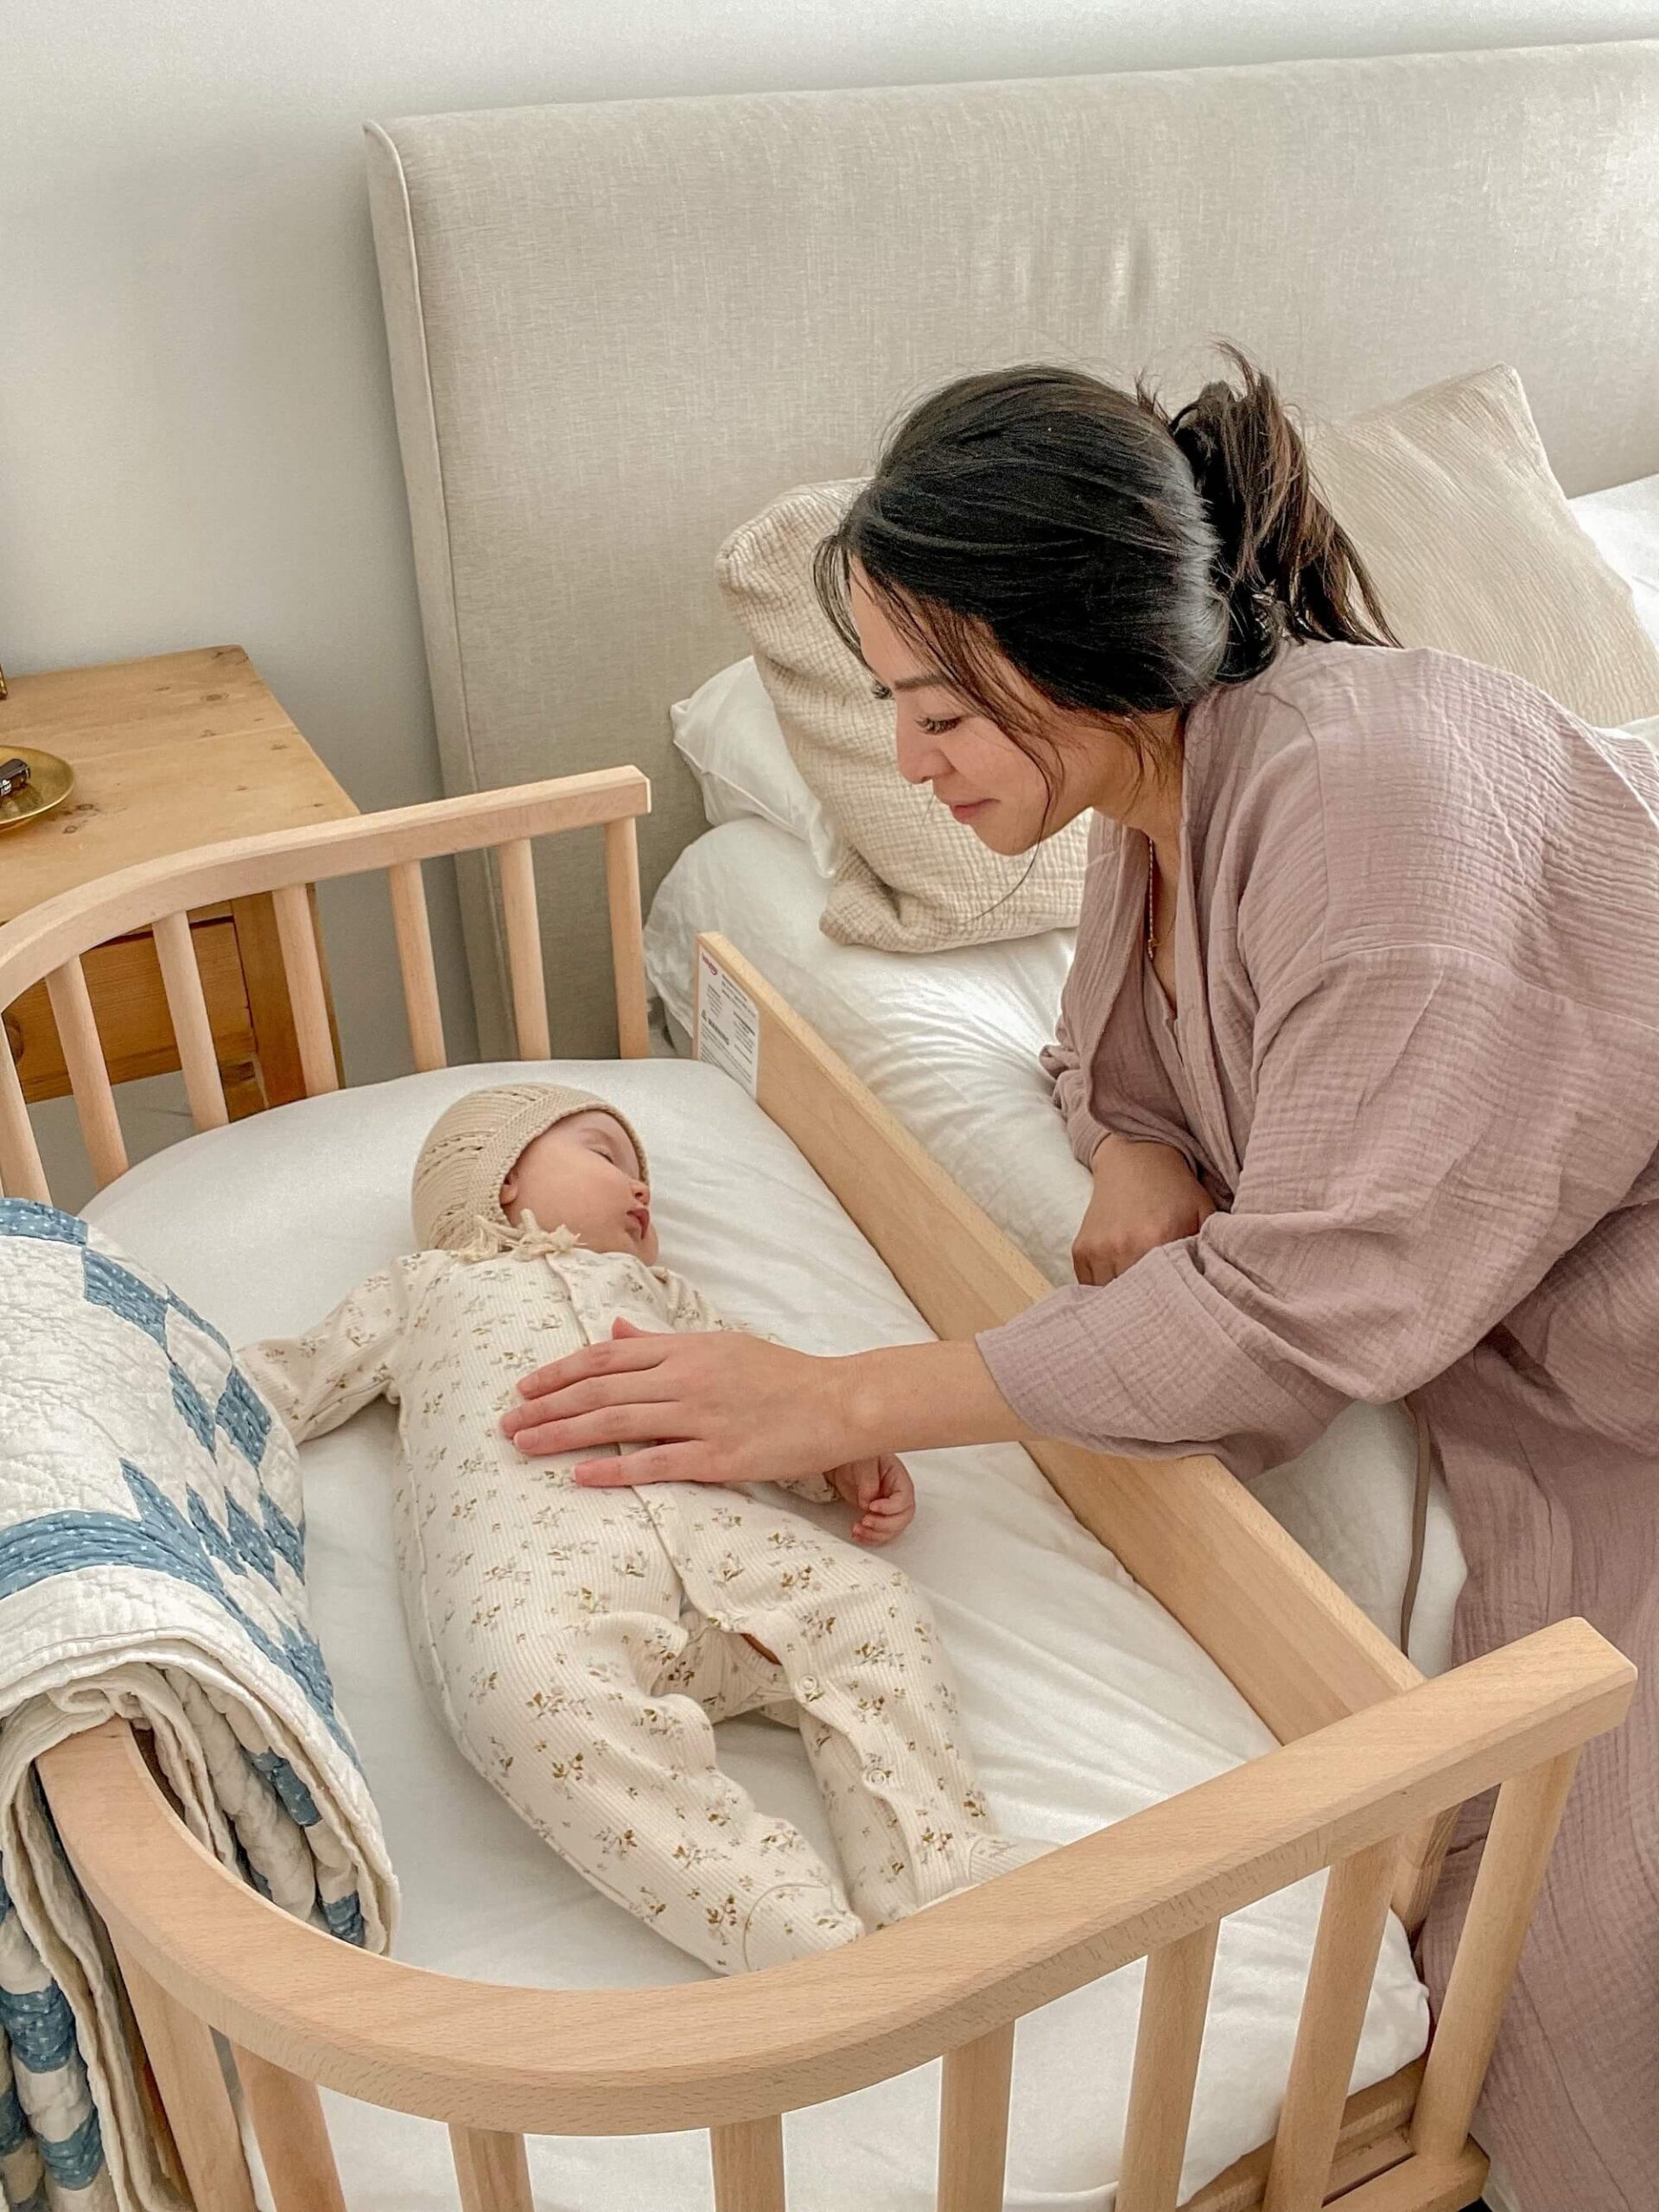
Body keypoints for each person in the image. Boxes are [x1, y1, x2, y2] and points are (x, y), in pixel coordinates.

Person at [502, 352, 1659, 2205]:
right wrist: (1134, 1138)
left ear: (1081, 654)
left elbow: (1297, 1310)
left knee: (1596, 1928)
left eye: (941, 713)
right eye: (889, 710)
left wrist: (850, 1391)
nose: (910, 765)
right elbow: (1109, 1055)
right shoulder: (1164, 795)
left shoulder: (1371, 800)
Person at [241, 1082, 1040, 1977]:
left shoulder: (663, 1293)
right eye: (605, 1154)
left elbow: (771, 1401)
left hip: (727, 1573)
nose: (642, 1188)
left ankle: (938, 1872)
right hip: (540, 1579)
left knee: (873, 1604)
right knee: (525, 1690)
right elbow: (283, 1380)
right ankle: (789, 1929)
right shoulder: (426, 1287)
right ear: (502, 1177)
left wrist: (839, 1456)